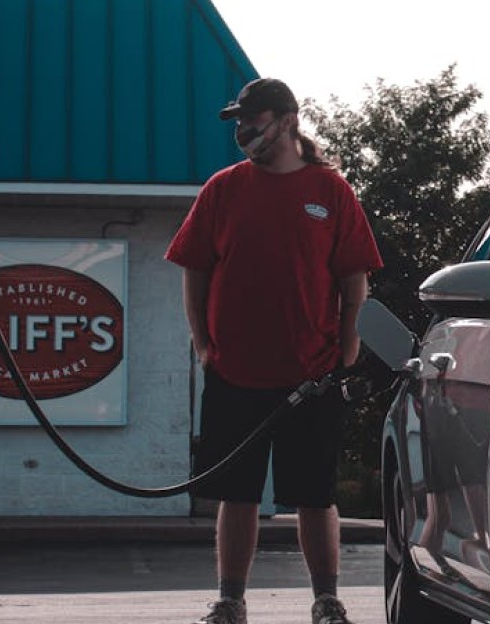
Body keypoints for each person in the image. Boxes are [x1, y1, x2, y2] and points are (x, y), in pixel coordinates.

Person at [165, 77, 383, 624]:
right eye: (238, 121)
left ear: (287, 121)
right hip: (235, 371)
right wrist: (202, 343)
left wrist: (348, 350)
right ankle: (231, 601)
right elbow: (195, 269)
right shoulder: (222, 189)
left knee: (314, 496)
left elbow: (355, 279)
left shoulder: (330, 191)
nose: (242, 131)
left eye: (252, 119)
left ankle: (327, 600)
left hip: (312, 374)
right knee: (236, 497)